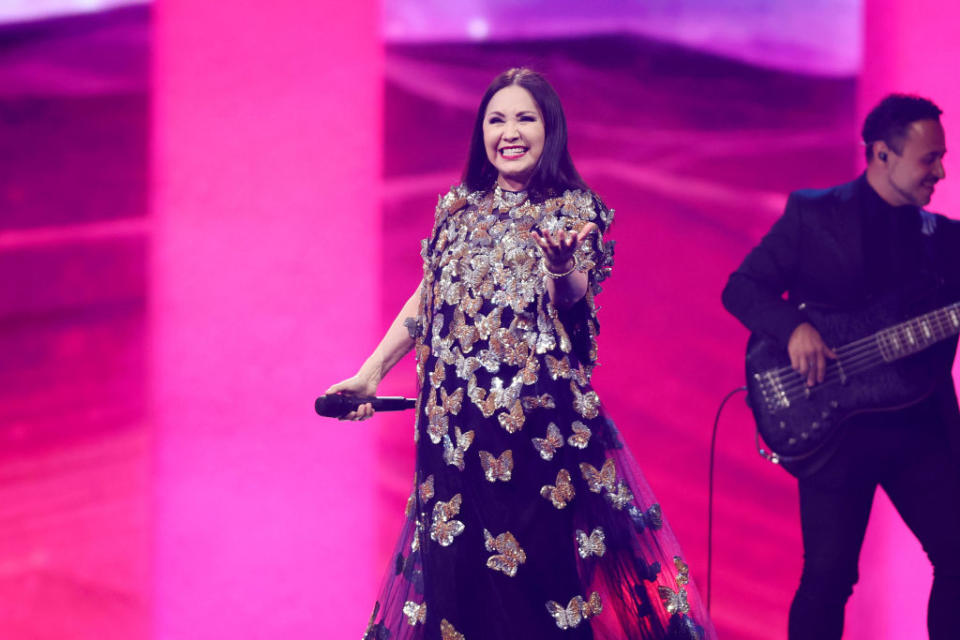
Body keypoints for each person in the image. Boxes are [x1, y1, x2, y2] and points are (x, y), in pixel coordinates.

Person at [328, 68, 714, 640]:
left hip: (538, 445)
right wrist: (369, 374)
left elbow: (573, 293)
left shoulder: (573, 211)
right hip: (451, 444)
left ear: (550, 129)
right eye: (496, 119)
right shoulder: (457, 212)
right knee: (456, 598)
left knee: (537, 601)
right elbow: (427, 300)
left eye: (525, 118)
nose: (509, 132)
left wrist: (559, 266)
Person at [722, 94, 960, 639]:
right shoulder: (813, 215)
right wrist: (794, 328)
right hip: (835, 430)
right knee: (829, 578)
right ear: (881, 155)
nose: (942, 172)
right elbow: (742, 289)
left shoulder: (944, 241)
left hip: (918, 426)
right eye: (929, 159)